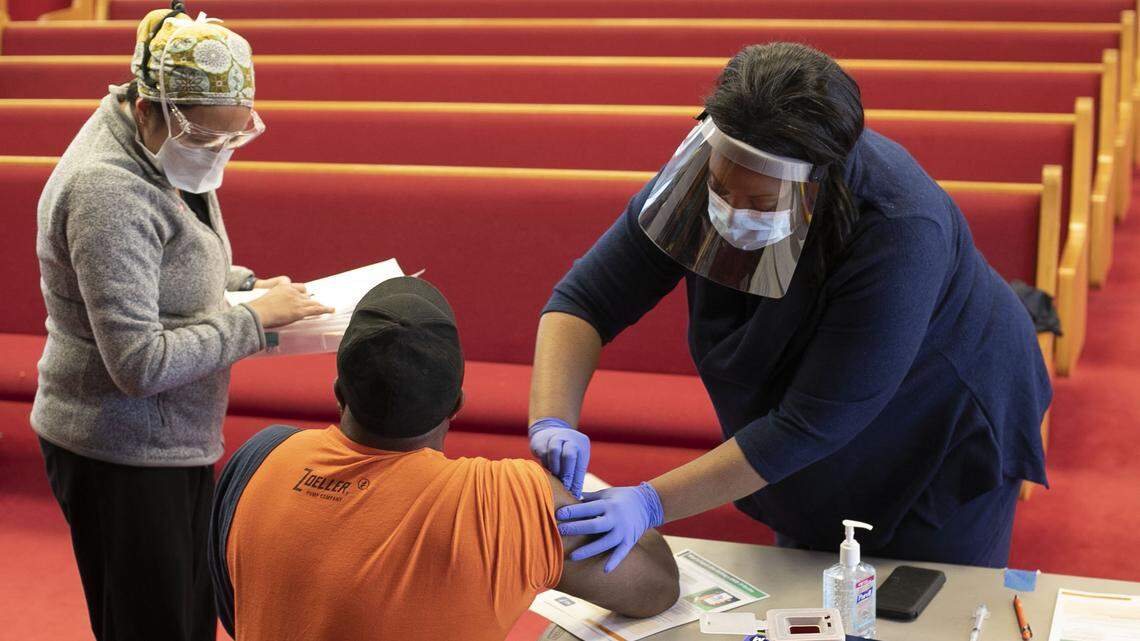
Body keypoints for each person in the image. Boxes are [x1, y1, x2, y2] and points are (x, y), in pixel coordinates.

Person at [528, 42, 1051, 573]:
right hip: (808, 422)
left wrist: (649, 503)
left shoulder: (899, 229)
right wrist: (551, 419)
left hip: (936, 415)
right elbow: (585, 300)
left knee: (920, 604)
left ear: (817, 189)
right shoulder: (709, 168)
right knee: (809, 578)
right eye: (721, 189)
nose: (731, 212)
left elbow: (809, 425)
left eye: (759, 203)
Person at [32, 5, 331, 640]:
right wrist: (254, 322)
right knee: (155, 626)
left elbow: (166, 268)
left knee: (186, 619)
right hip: (120, 446)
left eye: (234, 136)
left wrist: (246, 285)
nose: (218, 152)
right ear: (147, 109)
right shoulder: (107, 190)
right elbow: (139, 364)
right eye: (206, 139)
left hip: (166, 438)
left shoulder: (166, 142)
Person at [209, 277, 680, 641]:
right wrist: (612, 501)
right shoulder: (508, 499)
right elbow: (656, 587)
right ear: (457, 404)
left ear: (338, 394)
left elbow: (237, 608)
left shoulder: (260, 456)